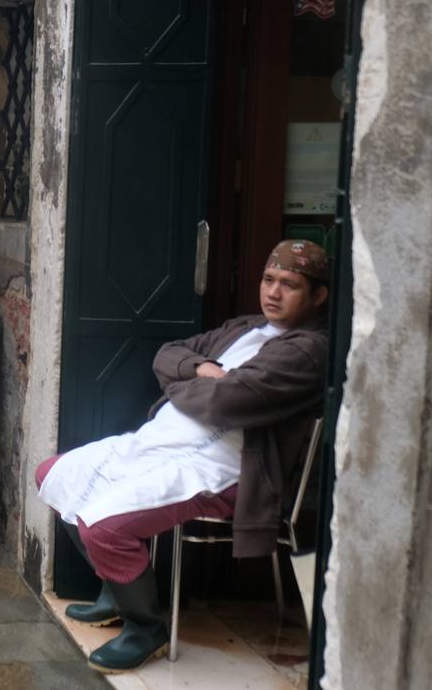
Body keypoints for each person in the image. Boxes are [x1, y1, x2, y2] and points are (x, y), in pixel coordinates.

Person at [34, 239, 330, 674]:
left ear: (318, 295)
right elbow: (167, 354)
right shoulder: (244, 327)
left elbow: (227, 401)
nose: (273, 292)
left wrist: (181, 382)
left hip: (223, 469)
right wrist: (199, 369)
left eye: (290, 285)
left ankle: (145, 626)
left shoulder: (309, 350)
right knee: (54, 474)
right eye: (269, 280)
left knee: (105, 525)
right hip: (162, 442)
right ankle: (116, 591)